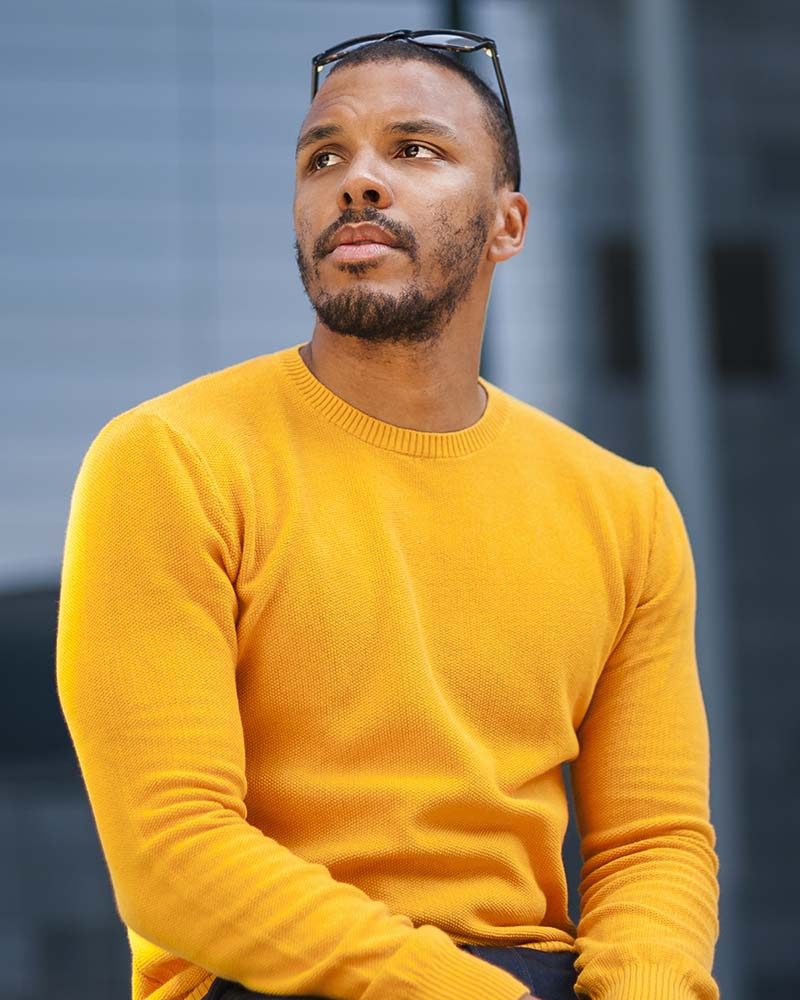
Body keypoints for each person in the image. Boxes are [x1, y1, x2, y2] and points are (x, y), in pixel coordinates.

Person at [55, 28, 720, 1000]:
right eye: (324, 157)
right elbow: (172, 853)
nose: (357, 182)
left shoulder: (627, 511)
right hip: (270, 983)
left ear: (507, 225)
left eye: (414, 149)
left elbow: (651, 843)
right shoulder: (169, 460)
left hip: (533, 973)